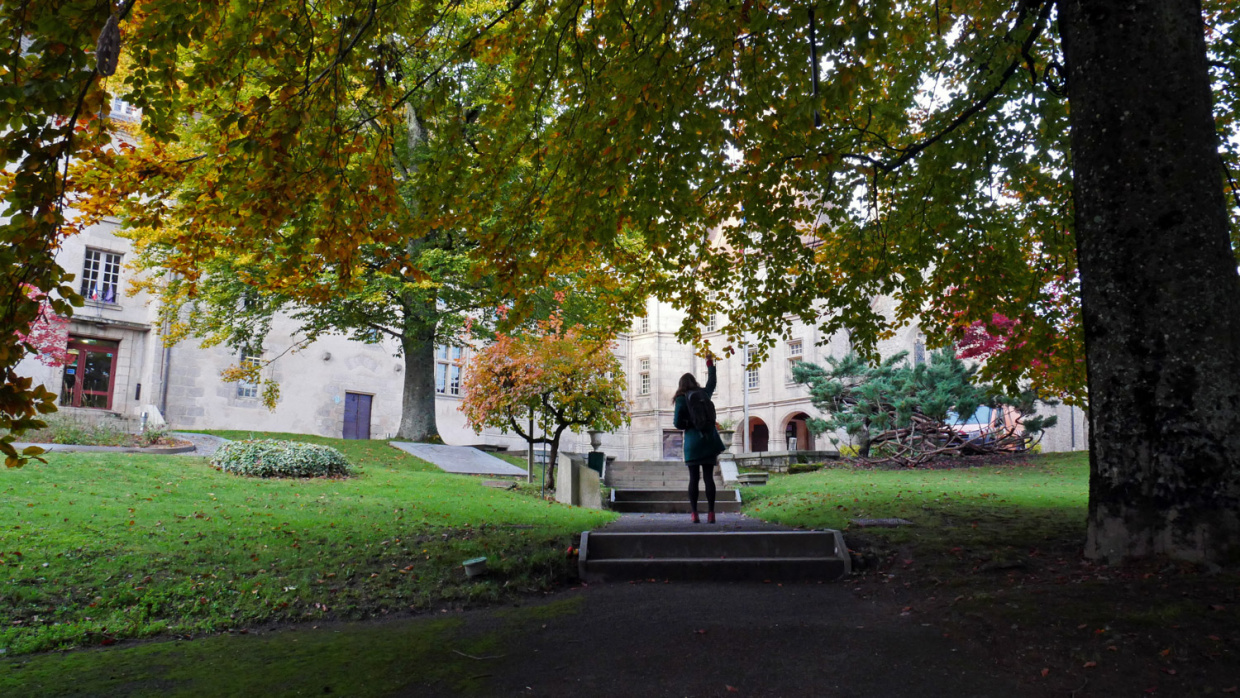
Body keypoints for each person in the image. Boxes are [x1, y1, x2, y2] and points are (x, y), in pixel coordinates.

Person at [672, 355, 726, 523]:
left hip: (693, 443)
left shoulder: (681, 399)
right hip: (709, 440)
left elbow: (677, 423)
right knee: (709, 477)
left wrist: (689, 424)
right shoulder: (703, 393)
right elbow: (712, 381)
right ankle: (711, 513)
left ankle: (695, 513)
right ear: (694, 382)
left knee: (694, 478)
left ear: (681, 385)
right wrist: (709, 363)